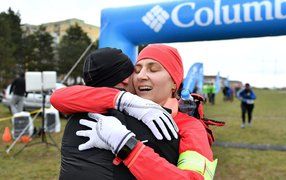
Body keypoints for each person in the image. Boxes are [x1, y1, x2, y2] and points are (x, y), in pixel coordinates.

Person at [51, 44, 217, 179]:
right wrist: (124, 100)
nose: (141, 76)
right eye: (137, 70)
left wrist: (128, 147)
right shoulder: (124, 107)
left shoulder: (190, 126)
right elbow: (59, 98)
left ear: (174, 82)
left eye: (153, 69)